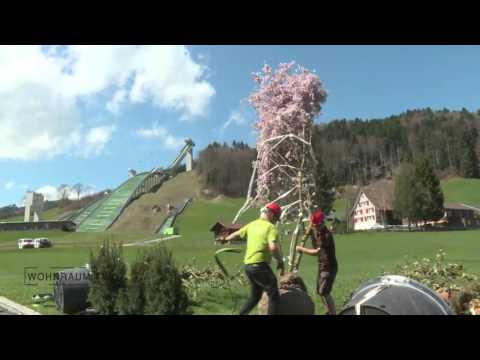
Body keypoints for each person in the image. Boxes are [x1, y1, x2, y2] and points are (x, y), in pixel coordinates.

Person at [222, 202, 285, 315]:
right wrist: (280, 261)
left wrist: (225, 239)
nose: (275, 221)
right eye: (276, 218)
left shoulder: (252, 224)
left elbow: (236, 234)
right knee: (274, 293)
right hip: (260, 265)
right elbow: (273, 247)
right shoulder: (271, 227)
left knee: (255, 296)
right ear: (271, 214)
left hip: (248, 266)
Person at [296, 209, 338, 315]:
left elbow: (316, 252)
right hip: (322, 266)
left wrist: (301, 249)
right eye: (313, 225)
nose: (315, 227)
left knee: (325, 292)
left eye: (317, 225)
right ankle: (328, 311)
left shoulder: (326, 236)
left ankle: (333, 313)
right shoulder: (316, 230)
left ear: (322, 223)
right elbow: (311, 228)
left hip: (329, 267)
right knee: (320, 292)